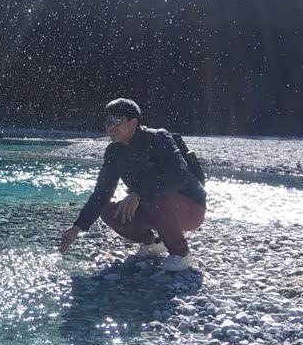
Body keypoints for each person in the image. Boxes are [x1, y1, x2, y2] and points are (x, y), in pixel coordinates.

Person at [59, 98, 206, 271]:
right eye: (107, 122)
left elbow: (178, 176)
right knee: (108, 210)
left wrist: (139, 194)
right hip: (153, 207)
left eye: (115, 122)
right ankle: (153, 243)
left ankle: (182, 254)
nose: (110, 128)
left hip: (190, 208)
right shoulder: (114, 152)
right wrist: (77, 227)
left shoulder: (158, 137)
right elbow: (101, 193)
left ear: (133, 123)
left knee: (156, 196)